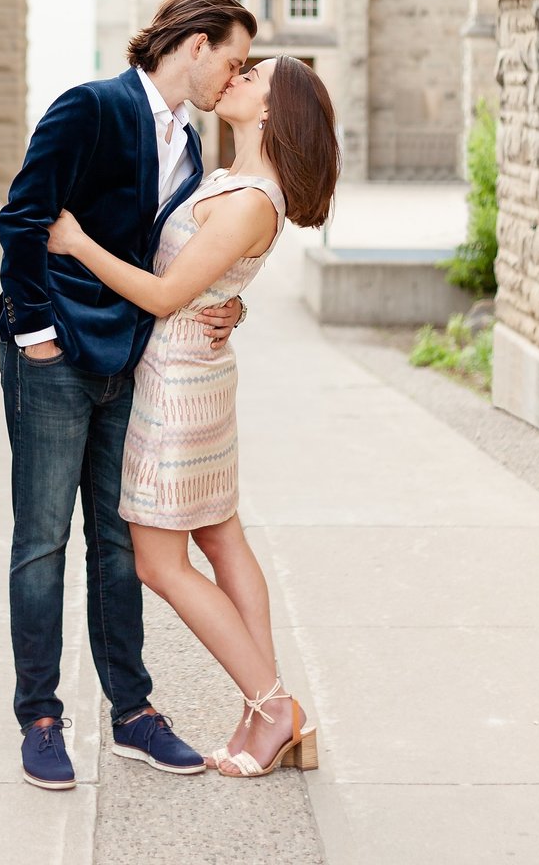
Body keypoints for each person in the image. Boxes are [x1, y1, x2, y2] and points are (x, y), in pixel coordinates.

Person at [0, 0, 257, 791]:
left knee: (119, 542)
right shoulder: (91, 108)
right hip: (55, 355)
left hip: (131, 361)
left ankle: (132, 714)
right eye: (233, 59)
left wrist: (228, 303)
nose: (234, 77)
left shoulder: (191, 148)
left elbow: (180, 260)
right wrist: (34, 335)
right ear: (196, 44)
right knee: (41, 542)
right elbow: (21, 217)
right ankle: (40, 717)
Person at [47, 53, 341, 780]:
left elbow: (165, 293)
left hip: (177, 386)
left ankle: (273, 707)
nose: (234, 79)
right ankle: (263, 708)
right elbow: (211, 281)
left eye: (252, 77)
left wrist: (77, 242)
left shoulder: (248, 197)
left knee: (159, 561)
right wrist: (230, 302)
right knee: (220, 534)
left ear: (273, 109)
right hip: (193, 371)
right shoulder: (234, 181)